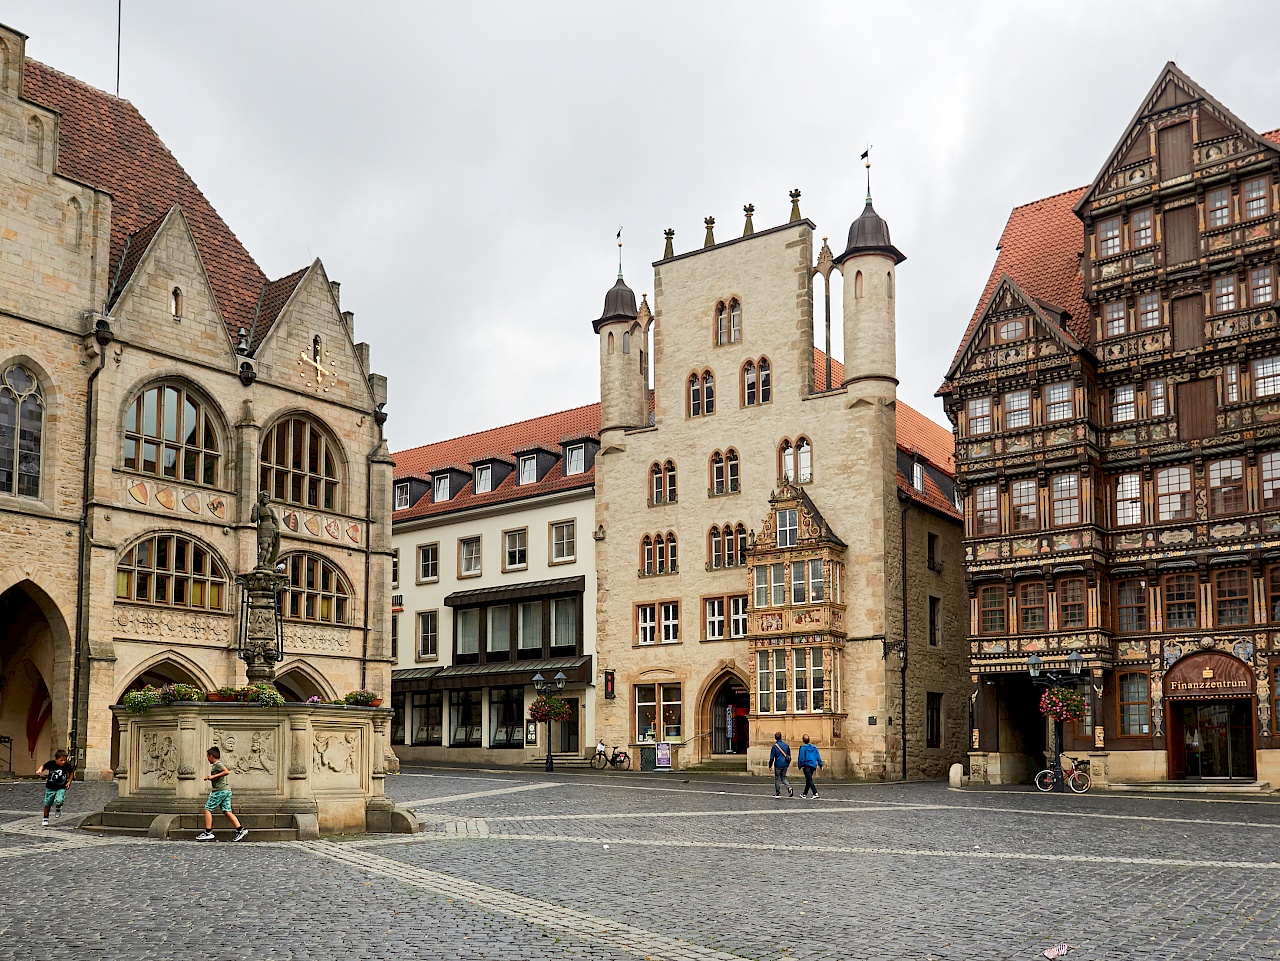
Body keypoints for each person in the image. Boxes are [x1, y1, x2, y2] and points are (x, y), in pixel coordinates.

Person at [196, 746, 248, 842]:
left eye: (207, 757)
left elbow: (226, 771)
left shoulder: (217, 764)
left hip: (220, 791)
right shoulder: (217, 764)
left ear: (211, 756)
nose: (207, 759)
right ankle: (240, 830)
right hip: (226, 790)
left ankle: (208, 832)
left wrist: (212, 777)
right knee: (227, 811)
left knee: (207, 809)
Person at [35, 750, 75, 826]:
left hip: (61, 787)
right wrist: (40, 770)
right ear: (56, 759)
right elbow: (43, 766)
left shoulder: (67, 765)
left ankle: (58, 807)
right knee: (47, 803)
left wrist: (69, 782)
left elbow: (71, 772)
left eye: (64, 760)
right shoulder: (51, 763)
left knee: (59, 800)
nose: (63, 762)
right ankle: (45, 818)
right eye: (61, 760)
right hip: (50, 787)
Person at [797, 734, 824, 798]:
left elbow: (801, 757)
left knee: (809, 780)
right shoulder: (814, 747)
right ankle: (804, 794)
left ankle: (815, 793)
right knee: (808, 780)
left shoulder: (803, 748)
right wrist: (820, 764)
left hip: (806, 765)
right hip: (812, 765)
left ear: (803, 740)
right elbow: (818, 756)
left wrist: (800, 765)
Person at [768, 731, 793, 798]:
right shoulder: (786, 745)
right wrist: (788, 763)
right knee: (783, 778)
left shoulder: (775, 746)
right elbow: (789, 756)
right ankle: (789, 788)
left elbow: (772, 757)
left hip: (778, 764)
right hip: (785, 764)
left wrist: (770, 765)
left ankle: (778, 792)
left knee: (777, 778)